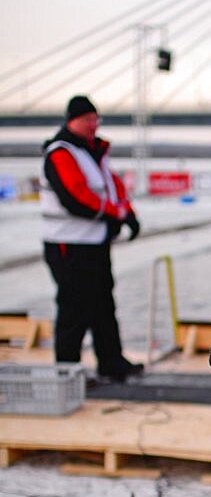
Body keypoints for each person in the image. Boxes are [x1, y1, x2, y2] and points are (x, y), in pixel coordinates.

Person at [41, 95, 143, 381]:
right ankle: (68, 372)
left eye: (96, 119)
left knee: (102, 305)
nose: (94, 125)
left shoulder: (91, 154)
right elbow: (76, 197)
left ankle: (111, 363)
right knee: (74, 309)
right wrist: (116, 215)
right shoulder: (61, 153)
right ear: (73, 120)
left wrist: (128, 213)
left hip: (93, 243)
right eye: (88, 119)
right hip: (68, 244)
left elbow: (112, 188)